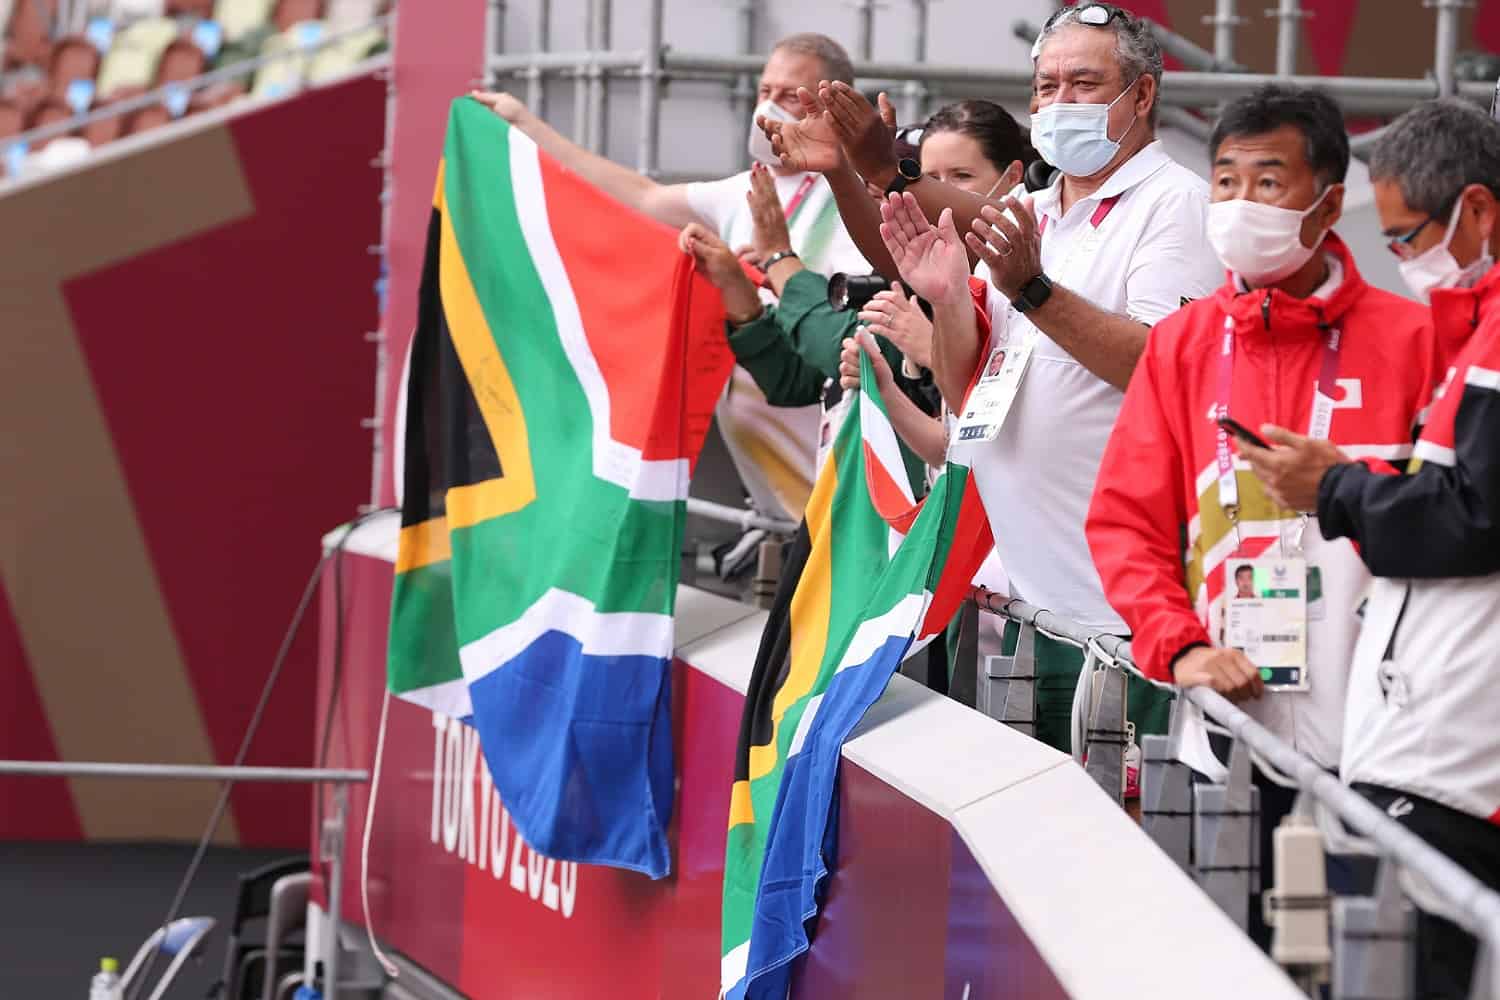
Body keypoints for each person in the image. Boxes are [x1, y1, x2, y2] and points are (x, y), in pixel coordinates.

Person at [780, 3, 1222, 754]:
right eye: (1046, 86)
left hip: (1121, 618)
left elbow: (1160, 367)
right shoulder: (1035, 209)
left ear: (1143, 94)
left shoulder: (1175, 204)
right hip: (1017, 602)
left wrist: (1032, 291)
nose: (1059, 102)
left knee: (1111, 825)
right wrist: (940, 279)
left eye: (1084, 83)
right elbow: (963, 382)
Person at [1083, 85, 1441, 950]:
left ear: (1328, 204)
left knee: (1372, 961)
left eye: (1269, 182)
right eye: (1226, 181)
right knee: (1227, 956)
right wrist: (1181, 647)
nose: (1241, 203)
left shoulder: (1416, 339)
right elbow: (1125, 522)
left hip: (1387, 738)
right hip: (1228, 728)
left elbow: (1455, 521)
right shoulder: (1184, 342)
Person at [1238, 98, 1500, 1000]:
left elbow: (1479, 516)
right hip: (1427, 743)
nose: (1401, 258)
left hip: (1459, 756)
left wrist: (1340, 489)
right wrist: (1360, 479)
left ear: (1478, 210)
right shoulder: (1473, 327)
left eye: (1406, 236)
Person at [472, 33, 870, 527]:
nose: (769, 107)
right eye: (764, 91)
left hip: (834, 471)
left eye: (790, 96)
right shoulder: (742, 191)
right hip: (771, 488)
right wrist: (526, 125)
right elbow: (642, 197)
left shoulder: (848, 204)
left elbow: (847, 331)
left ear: (832, 106)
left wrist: (779, 270)